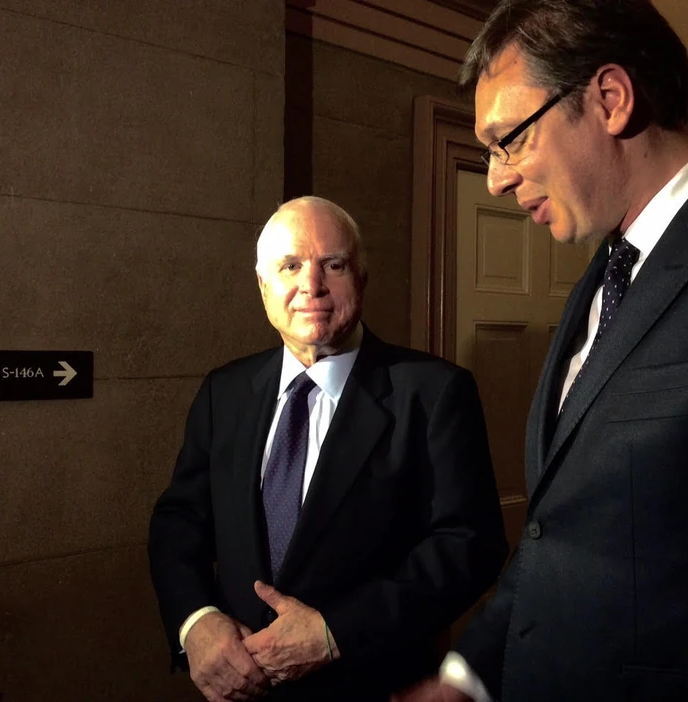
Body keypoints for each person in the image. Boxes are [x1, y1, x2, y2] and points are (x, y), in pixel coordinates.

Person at [395, 1, 688, 701]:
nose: (495, 178)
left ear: (611, 99)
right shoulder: (603, 276)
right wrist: (466, 678)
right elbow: (559, 532)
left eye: (510, 140)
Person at [148, 196, 508, 702]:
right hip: (241, 688)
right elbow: (179, 521)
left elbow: (470, 544)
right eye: (290, 266)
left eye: (333, 265)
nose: (311, 286)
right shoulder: (224, 392)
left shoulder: (433, 393)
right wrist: (195, 622)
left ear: (362, 277)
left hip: (373, 685)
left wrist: (336, 633)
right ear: (263, 285)